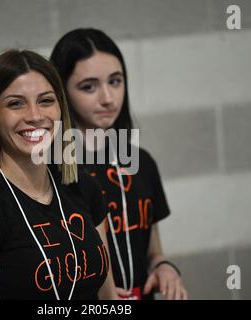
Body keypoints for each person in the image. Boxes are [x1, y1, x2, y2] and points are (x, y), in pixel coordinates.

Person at [0, 49, 118, 300]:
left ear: (60, 109)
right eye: (16, 103)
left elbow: (107, 298)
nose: (35, 116)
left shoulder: (82, 187)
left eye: (46, 100)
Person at [50, 28, 188, 300]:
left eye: (115, 81)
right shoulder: (49, 169)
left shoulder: (141, 162)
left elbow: (152, 252)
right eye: (88, 86)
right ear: (61, 92)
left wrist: (164, 267)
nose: (108, 98)